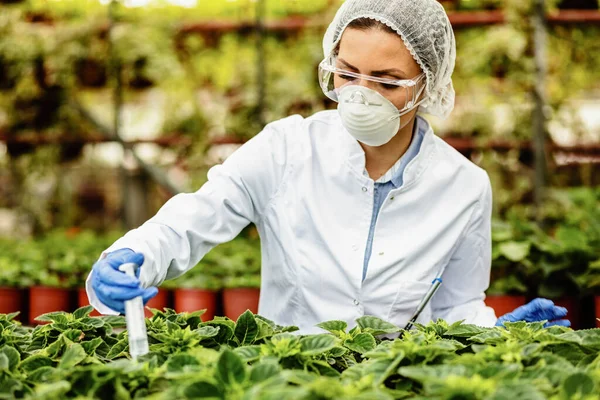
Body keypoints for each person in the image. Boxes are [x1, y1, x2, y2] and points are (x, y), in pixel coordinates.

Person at [87, 0, 570, 333]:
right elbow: (192, 218)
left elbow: (455, 305)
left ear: (428, 84)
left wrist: (492, 333)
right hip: (288, 381)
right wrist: (132, 257)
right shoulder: (285, 148)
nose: (361, 94)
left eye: (387, 81)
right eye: (348, 72)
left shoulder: (464, 186)